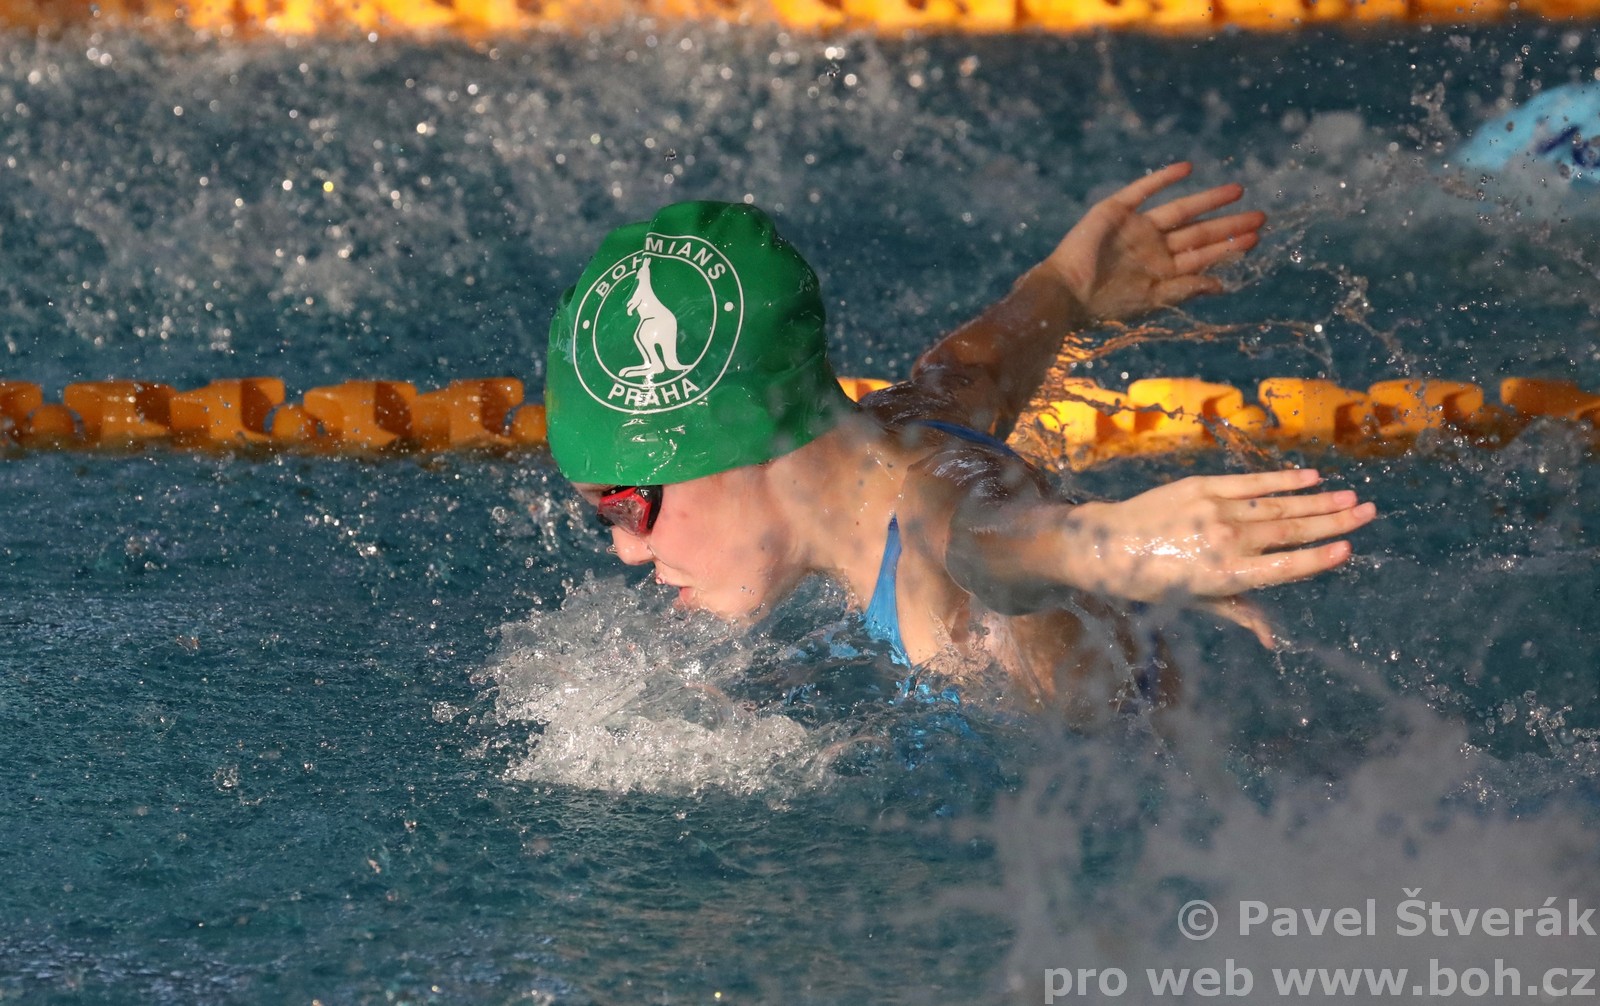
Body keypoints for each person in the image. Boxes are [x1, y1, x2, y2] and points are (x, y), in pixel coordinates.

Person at [543, 164, 1376, 718]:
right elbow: (980, 366)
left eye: (627, 505)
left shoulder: (933, 517)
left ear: (740, 444)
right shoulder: (909, 427)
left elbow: (996, 543)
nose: (626, 549)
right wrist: (1068, 284)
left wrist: (1112, 545)